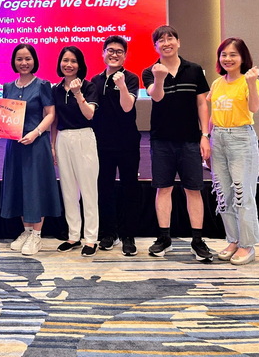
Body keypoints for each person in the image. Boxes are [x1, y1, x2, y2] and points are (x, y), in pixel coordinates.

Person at [142, 25, 213, 261]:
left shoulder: (194, 70)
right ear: (155, 46)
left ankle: (197, 240)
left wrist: (205, 135)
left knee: (194, 189)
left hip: (190, 140)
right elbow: (156, 96)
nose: (166, 43)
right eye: (161, 40)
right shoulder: (150, 71)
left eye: (170, 38)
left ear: (178, 42)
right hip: (161, 140)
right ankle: (164, 238)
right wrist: (159, 77)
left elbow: (202, 104)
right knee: (163, 189)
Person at [1, 43, 60, 256]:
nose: (24, 63)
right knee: (19, 186)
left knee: (36, 187)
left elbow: (51, 114)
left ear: (34, 60)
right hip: (15, 145)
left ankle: (37, 234)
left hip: (36, 144)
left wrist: (36, 133)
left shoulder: (43, 85)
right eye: (19, 59)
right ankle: (26, 231)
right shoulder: (8, 87)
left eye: (28, 58)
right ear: (14, 62)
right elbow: (4, 115)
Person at [208, 37, 259, 265]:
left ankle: (247, 245)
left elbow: (254, 107)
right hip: (218, 138)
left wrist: (252, 83)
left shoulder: (249, 81)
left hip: (241, 138)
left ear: (242, 58)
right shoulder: (217, 83)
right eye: (224, 54)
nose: (228, 59)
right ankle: (233, 240)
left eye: (233, 55)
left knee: (242, 193)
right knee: (223, 194)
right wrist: (207, 139)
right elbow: (213, 115)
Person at [90, 35, 141, 257]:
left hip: (127, 142)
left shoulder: (131, 78)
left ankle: (128, 235)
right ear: (103, 53)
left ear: (125, 56)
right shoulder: (95, 80)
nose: (114, 54)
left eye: (119, 51)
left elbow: (127, 107)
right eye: (110, 50)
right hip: (102, 143)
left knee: (130, 187)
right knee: (104, 187)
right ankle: (109, 233)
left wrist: (121, 85)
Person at [51, 46, 100, 257]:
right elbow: (54, 120)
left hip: (84, 137)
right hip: (63, 139)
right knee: (68, 190)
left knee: (88, 190)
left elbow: (89, 114)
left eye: (73, 61)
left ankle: (91, 238)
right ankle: (73, 235)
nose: (68, 65)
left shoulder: (89, 87)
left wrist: (78, 93)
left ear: (80, 65)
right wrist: (53, 146)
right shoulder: (55, 89)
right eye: (65, 60)